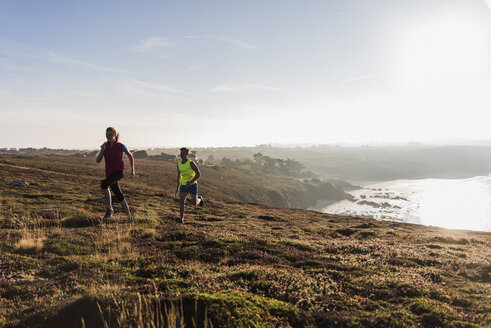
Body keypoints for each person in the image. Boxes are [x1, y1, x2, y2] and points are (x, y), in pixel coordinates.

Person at [96, 127, 135, 223]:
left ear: (115, 135)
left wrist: (132, 170)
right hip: (109, 173)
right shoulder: (104, 146)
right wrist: (102, 149)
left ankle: (110, 208)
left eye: (110, 134)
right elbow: (98, 160)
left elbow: (130, 156)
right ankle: (129, 216)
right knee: (118, 194)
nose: (108, 136)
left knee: (104, 184)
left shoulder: (121, 146)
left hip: (119, 172)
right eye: (107, 135)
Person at [175, 147, 203, 223]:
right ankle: (181, 218)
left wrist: (190, 182)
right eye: (181, 153)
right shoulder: (179, 165)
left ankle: (200, 199)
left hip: (192, 185)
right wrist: (177, 188)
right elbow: (179, 177)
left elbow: (198, 174)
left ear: (187, 154)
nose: (182, 155)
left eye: (183, 153)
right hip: (183, 186)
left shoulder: (191, 163)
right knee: (181, 202)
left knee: (194, 203)